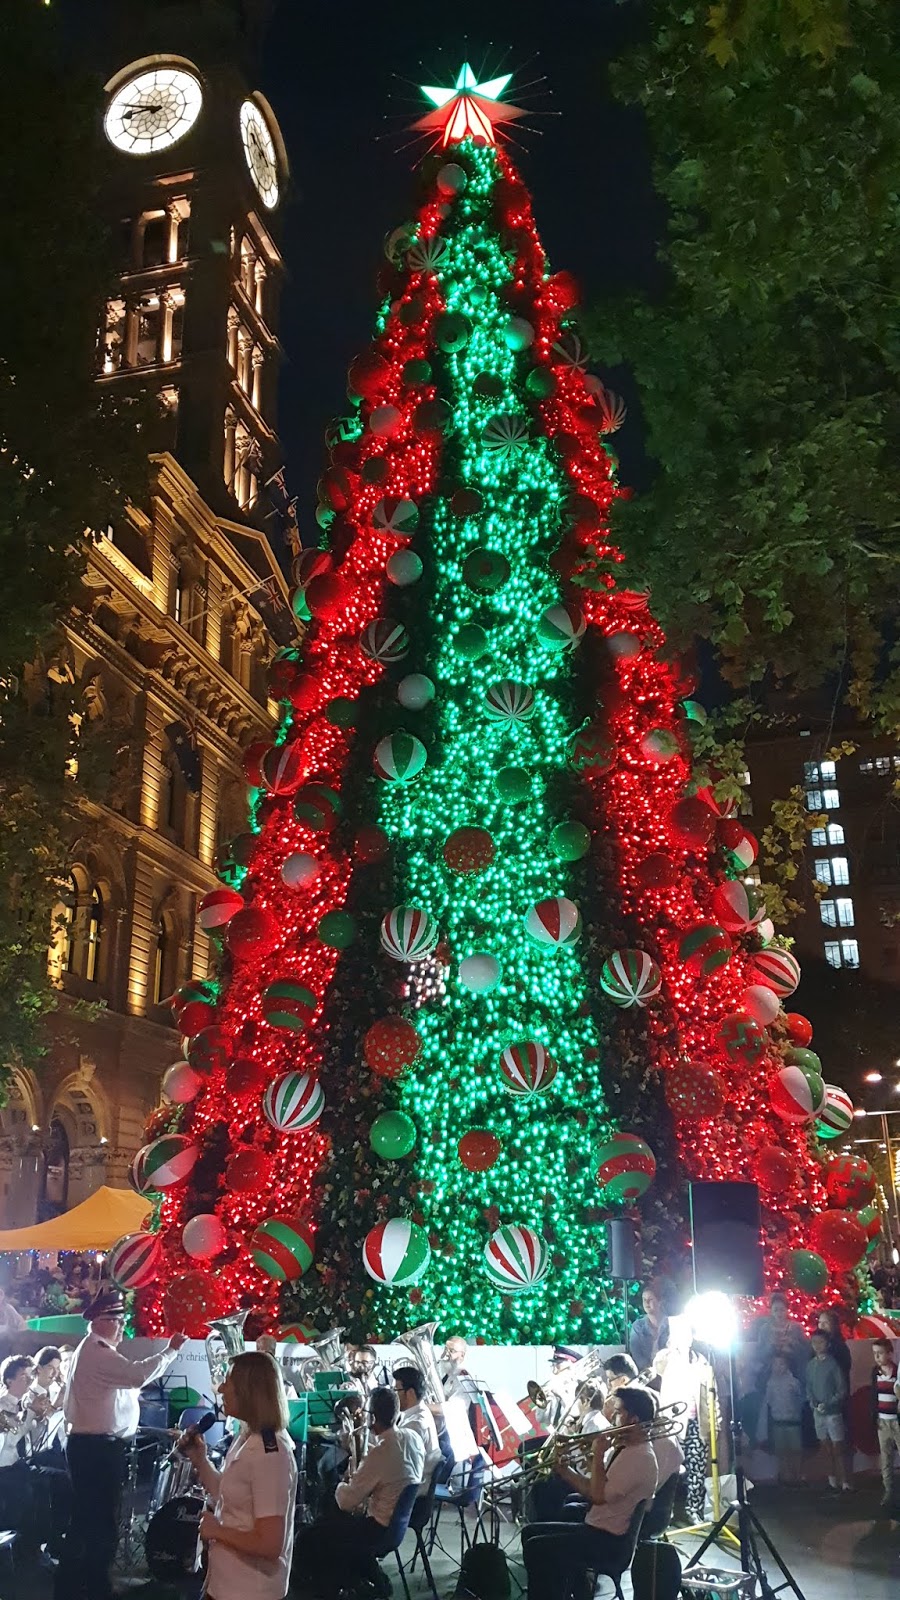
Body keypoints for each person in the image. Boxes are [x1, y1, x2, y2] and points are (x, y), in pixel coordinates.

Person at [55, 1289, 187, 1600]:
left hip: (93, 1446)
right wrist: (171, 1350)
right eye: (117, 1320)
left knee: (88, 1521)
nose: (122, 1327)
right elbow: (138, 1375)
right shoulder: (99, 1353)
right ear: (99, 1321)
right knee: (101, 1523)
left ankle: (78, 1586)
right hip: (96, 1449)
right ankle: (94, 1588)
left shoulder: (94, 1350)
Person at [179, 1350, 297, 1600]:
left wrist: (217, 1531)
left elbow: (270, 1543)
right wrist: (200, 1460)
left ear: (248, 1391)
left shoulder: (269, 1454)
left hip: (249, 1590)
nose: (221, 1389)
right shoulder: (246, 1438)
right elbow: (227, 1495)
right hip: (226, 1584)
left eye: (228, 1382)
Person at [522, 1386, 658, 1600]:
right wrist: (568, 1468)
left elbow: (597, 1496)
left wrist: (597, 1455)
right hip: (597, 1527)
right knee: (530, 1533)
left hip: (609, 1541)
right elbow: (596, 1486)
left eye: (618, 1412)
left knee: (537, 1547)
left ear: (633, 1419)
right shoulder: (626, 1449)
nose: (613, 1418)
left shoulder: (640, 1458)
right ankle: (565, 1591)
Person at [294, 1385, 425, 1597]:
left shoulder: (380, 1453)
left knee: (310, 1536)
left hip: (376, 1530)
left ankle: (334, 1586)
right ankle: (365, 1575)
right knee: (325, 1524)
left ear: (372, 1417)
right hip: (396, 1527)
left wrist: (342, 1481)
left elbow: (346, 1502)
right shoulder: (413, 1438)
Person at [805, 1329, 851, 1491]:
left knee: (838, 1448)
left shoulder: (833, 1364)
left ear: (828, 1344)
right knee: (825, 1448)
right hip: (818, 1413)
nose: (817, 1346)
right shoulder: (811, 1365)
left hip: (833, 1413)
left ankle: (844, 1481)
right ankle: (832, 1480)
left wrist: (829, 1403)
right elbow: (808, 1387)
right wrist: (813, 1403)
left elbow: (842, 1389)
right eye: (814, 1342)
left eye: (821, 1342)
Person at [393, 1365, 442, 1496]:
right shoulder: (419, 1411)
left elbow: (398, 1465)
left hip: (412, 1492)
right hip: (415, 1485)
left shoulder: (414, 1425)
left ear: (410, 1393)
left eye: (396, 1390)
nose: (393, 1395)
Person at [760, 1352, 805, 1485]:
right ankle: (785, 1476)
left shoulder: (794, 1382)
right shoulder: (770, 1383)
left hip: (793, 1422)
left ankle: (798, 1476)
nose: (778, 1367)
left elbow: (801, 1399)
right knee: (781, 1452)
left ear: (787, 1365)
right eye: (775, 1364)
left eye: (781, 1364)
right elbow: (768, 1402)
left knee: (796, 1450)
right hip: (778, 1422)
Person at [871, 1338, 900, 1510]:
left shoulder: (897, 1372)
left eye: (880, 1353)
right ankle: (889, 1491)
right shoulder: (875, 1372)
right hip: (882, 1421)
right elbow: (873, 1396)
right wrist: (874, 1416)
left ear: (890, 1353)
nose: (877, 1357)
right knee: (886, 1458)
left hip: (897, 1421)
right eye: (875, 1353)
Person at [630, 1279, 675, 1377]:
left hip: (669, 1373)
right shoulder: (638, 1326)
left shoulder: (671, 1324)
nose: (646, 1303)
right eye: (644, 1299)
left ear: (660, 1302)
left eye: (650, 1299)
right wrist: (650, 1372)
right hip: (646, 1375)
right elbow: (636, 1354)